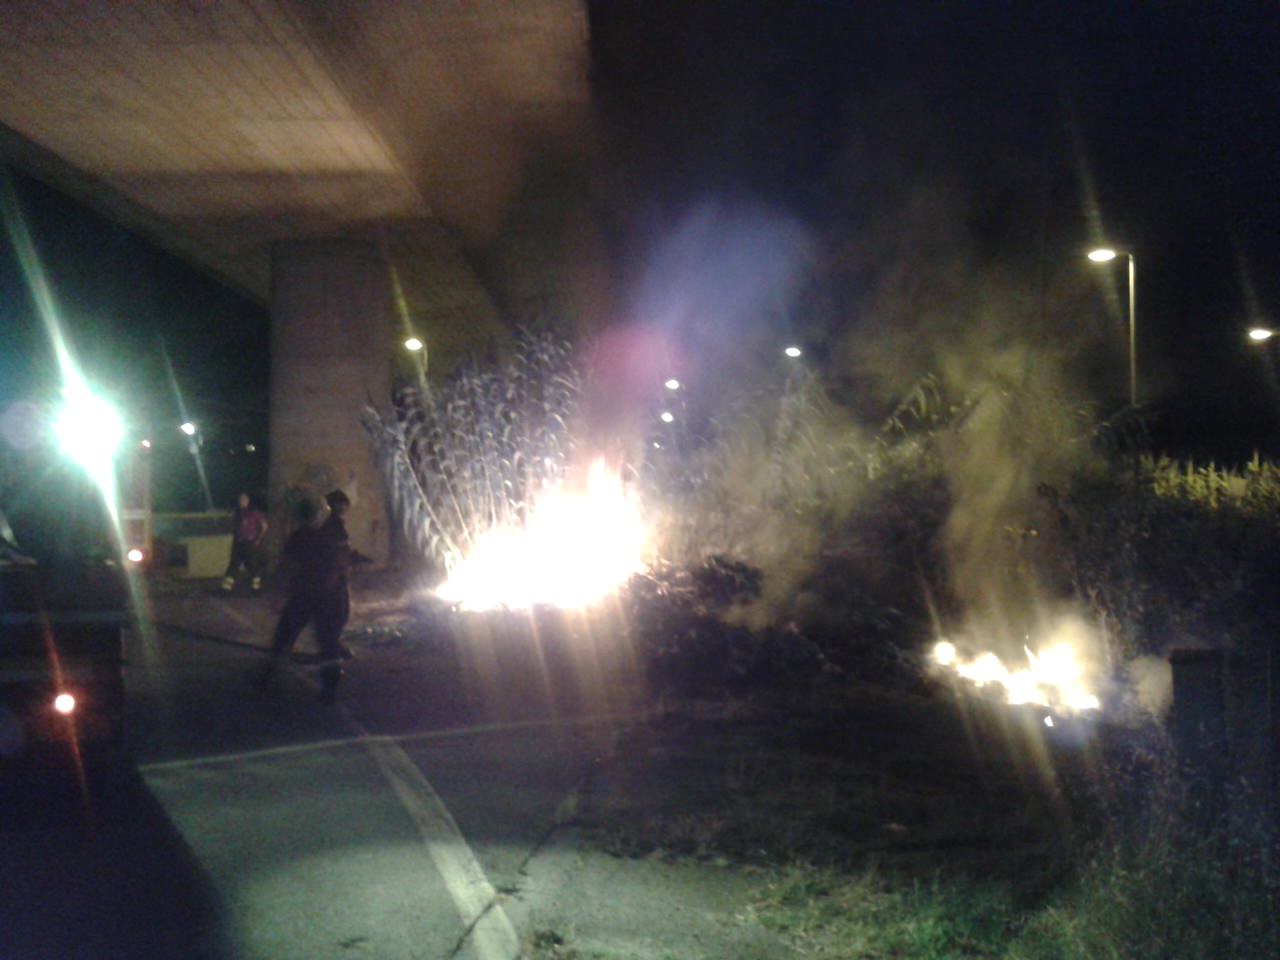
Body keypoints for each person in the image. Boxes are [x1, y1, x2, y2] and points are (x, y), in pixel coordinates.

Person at [254, 489, 366, 703]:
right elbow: (341, 564)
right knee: (318, 642)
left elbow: (287, 567)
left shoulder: (315, 534)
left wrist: (279, 592)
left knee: (308, 641)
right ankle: (324, 689)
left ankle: (272, 679)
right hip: (319, 596)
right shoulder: (328, 532)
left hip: (314, 596)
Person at [221, 493, 268, 594]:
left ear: (247, 501)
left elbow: (264, 525)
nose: (241, 502)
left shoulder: (253, 513)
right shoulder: (237, 513)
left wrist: (258, 539)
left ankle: (256, 589)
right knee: (233, 565)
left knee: (252, 566)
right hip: (238, 543)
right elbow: (233, 526)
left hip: (249, 543)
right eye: (240, 500)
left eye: (243, 500)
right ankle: (226, 589)